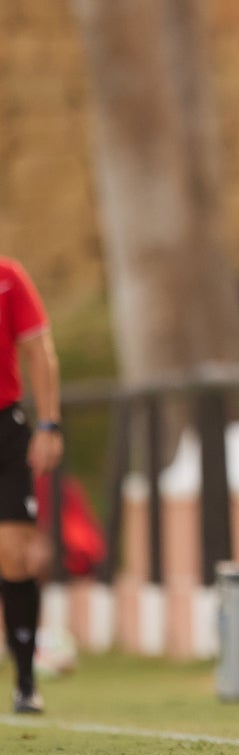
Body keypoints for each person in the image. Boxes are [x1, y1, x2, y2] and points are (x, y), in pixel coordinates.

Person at [0, 257, 62, 714]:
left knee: (15, 552)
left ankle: (24, 680)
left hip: (5, 427)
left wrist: (48, 424)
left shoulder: (8, 278)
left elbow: (39, 348)